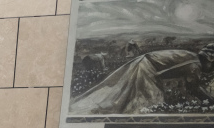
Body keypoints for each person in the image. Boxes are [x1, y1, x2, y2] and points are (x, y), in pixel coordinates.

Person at [70, 44, 214, 115]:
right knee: (150, 103)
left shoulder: (191, 56)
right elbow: (194, 88)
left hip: (144, 63)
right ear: (209, 58)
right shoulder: (194, 66)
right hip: (146, 67)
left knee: (127, 95)